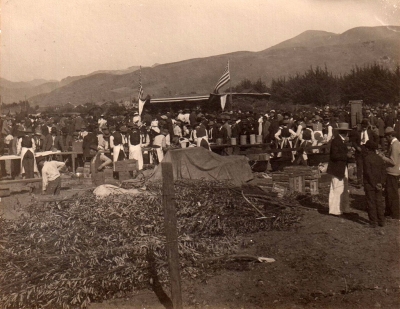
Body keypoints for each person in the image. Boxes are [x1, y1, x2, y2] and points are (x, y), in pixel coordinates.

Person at [326, 122, 353, 216]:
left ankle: (343, 208)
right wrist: (346, 155)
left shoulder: (341, 141)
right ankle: (335, 209)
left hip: (342, 167)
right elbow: (334, 155)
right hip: (337, 168)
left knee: (344, 188)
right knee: (337, 188)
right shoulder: (336, 141)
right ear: (345, 132)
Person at [363, 140, 386, 227]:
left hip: (370, 184)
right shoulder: (380, 159)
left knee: (371, 202)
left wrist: (374, 183)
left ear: (368, 149)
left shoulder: (367, 159)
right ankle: (381, 221)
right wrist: (380, 183)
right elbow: (384, 172)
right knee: (379, 202)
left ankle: (373, 222)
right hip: (379, 185)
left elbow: (368, 173)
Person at [379, 127, 400, 220]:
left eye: (387, 137)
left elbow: (393, 161)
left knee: (392, 193)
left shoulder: (395, 145)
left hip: (392, 172)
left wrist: (383, 157)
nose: (386, 139)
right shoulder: (396, 143)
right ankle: (390, 211)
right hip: (393, 171)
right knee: (389, 192)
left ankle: (395, 213)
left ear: (390, 136)